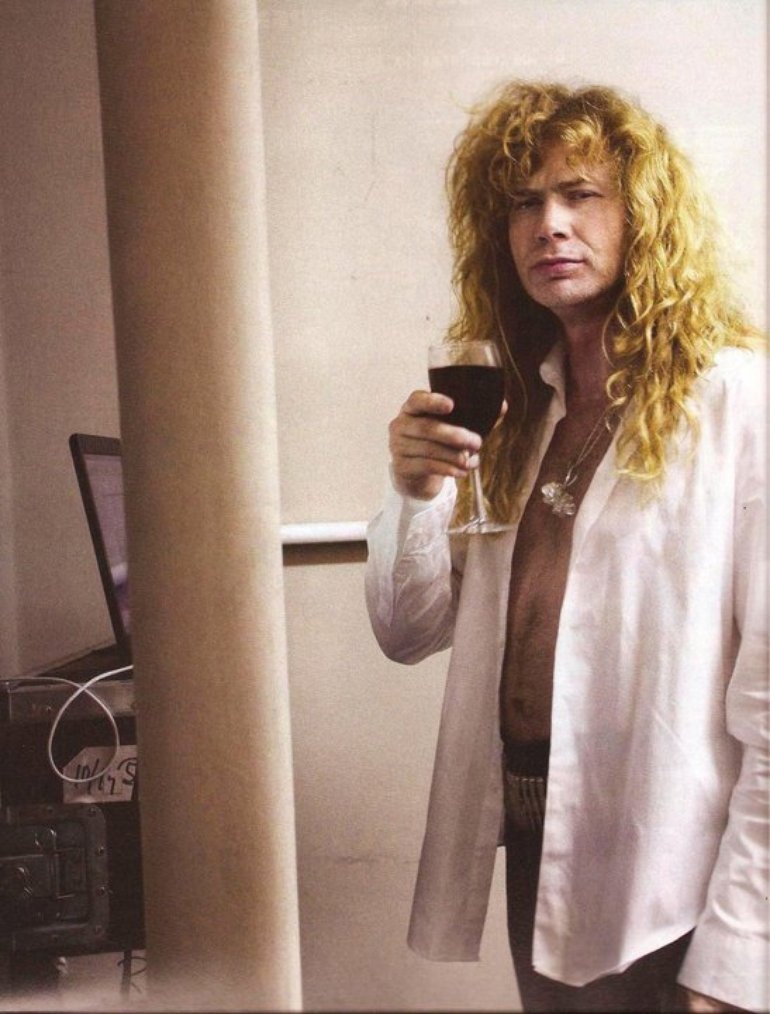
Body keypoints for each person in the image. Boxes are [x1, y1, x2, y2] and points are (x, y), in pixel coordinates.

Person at [365, 81, 767, 1013]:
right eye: (523, 203)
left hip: (680, 868)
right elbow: (406, 631)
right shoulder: (520, 413)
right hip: (533, 832)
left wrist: (740, 957)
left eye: (580, 194)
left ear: (644, 216)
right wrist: (414, 495)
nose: (549, 224)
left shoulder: (737, 402)